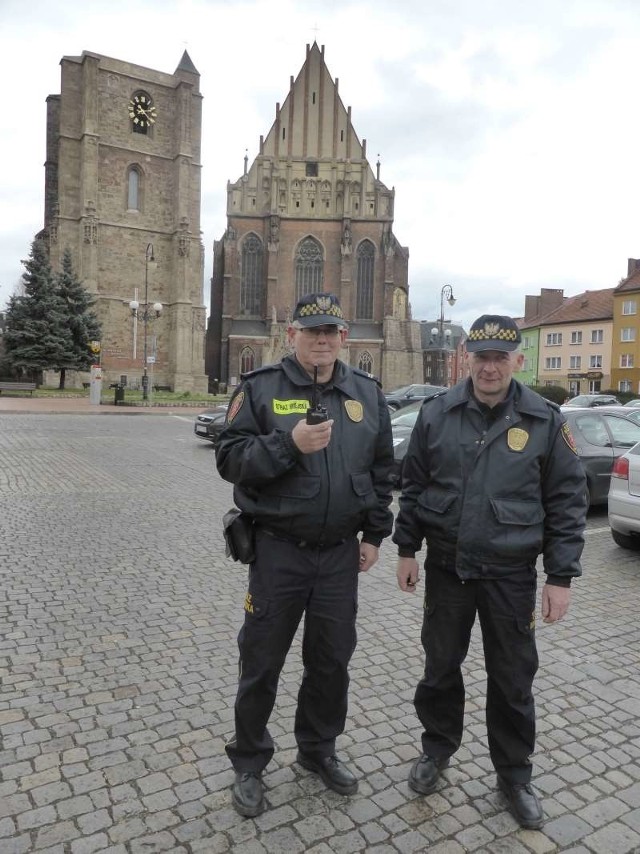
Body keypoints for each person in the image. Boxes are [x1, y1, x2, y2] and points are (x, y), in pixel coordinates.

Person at [393, 314, 586, 830]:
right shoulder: (438, 414)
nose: (490, 367)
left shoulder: (545, 420)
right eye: (481, 357)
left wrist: (561, 578)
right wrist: (406, 549)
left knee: (513, 679)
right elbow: (412, 486)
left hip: (510, 575)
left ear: (516, 362)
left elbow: (568, 503)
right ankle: (436, 750)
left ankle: (514, 774)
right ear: (467, 359)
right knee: (439, 668)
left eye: (500, 358)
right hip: (449, 569)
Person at [216, 292, 394, 817]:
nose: (322, 339)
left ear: (344, 337)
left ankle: (318, 750)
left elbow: (383, 472)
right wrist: (288, 444)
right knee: (262, 661)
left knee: (331, 661)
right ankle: (249, 761)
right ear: (292, 334)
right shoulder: (261, 389)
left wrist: (373, 535)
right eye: (311, 330)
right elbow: (229, 459)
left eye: (331, 331)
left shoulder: (366, 394)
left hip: (339, 557)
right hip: (278, 554)